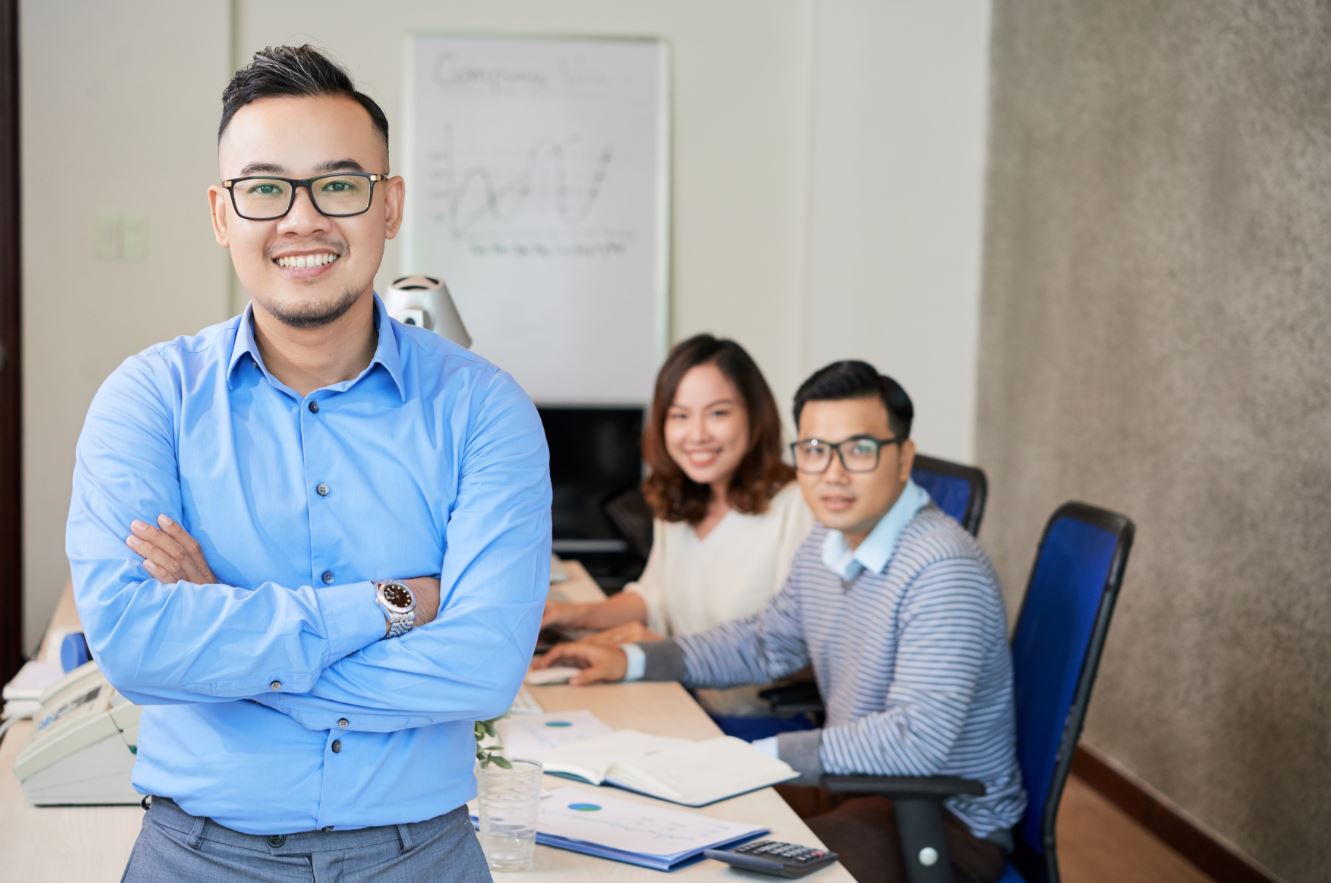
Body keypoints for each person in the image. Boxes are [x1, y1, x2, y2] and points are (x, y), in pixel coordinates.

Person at [65, 45, 550, 882]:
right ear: (222, 214)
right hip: (195, 858)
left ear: (388, 205)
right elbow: (138, 649)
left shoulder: (484, 409)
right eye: (264, 189)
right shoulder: (147, 399)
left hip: (420, 858)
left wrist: (225, 636)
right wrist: (390, 604)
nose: (301, 220)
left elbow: (480, 668)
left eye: (338, 183)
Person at [535, 360, 1026, 883]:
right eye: (814, 450)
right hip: (855, 786)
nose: (831, 473)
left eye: (859, 449)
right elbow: (764, 643)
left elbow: (914, 741)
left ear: (903, 459)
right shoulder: (828, 543)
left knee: (727, 873)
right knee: (649, 817)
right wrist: (635, 660)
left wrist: (757, 755)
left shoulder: (942, 571)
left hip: (941, 821)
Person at [541, 334, 812, 718]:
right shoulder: (679, 499)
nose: (697, 434)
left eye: (718, 413)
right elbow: (653, 596)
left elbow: (800, 650)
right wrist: (569, 616)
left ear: (755, 416)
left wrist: (658, 651)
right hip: (676, 695)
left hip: (744, 717)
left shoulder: (796, 506)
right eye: (680, 415)